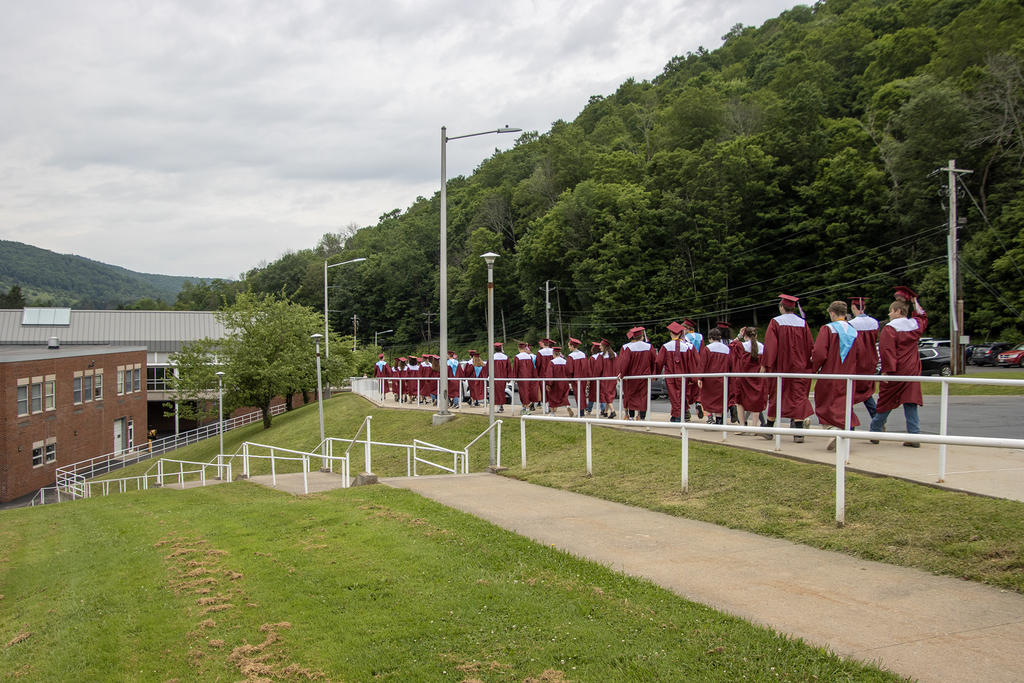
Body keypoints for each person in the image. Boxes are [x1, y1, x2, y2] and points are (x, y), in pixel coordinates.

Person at [870, 296, 928, 446]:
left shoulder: (890, 328)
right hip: (912, 369)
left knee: (886, 402)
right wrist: (915, 302)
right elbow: (923, 316)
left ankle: (875, 431)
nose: (889, 314)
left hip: (897, 370)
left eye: (890, 311)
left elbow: (887, 350)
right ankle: (914, 436)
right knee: (910, 402)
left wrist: (886, 370)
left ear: (897, 311)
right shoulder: (915, 325)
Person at [760, 293, 814, 443]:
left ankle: (769, 429)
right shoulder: (803, 323)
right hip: (799, 367)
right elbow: (810, 345)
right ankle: (798, 432)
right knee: (797, 396)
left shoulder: (775, 322)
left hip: (781, 366)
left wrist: (766, 365)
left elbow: (771, 346)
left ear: (782, 307)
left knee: (777, 394)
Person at [812, 301, 861, 450]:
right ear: (845, 314)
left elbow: (820, 352)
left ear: (832, 313)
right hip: (849, 375)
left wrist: (814, 367)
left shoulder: (828, 329)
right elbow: (860, 354)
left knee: (824, 403)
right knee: (844, 405)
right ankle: (842, 434)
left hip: (830, 374)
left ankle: (833, 432)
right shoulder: (854, 331)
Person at [731, 326, 768, 431]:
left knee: (740, 402)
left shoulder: (741, 346)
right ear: (756, 335)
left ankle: (742, 426)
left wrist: (739, 336)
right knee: (756, 401)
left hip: (743, 378)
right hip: (757, 378)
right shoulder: (762, 347)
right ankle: (754, 427)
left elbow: (731, 345)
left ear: (745, 335)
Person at [848, 297, 879, 419]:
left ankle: (850, 424)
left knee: (850, 391)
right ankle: (876, 418)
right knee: (866, 391)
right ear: (864, 307)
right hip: (871, 359)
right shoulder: (874, 322)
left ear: (853, 307)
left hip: (857, 360)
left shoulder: (851, 324)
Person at [618, 327, 655, 420]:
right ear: (642, 336)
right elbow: (654, 361)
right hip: (644, 376)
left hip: (632, 377)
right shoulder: (649, 346)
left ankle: (631, 416)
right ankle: (642, 417)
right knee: (643, 397)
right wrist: (653, 373)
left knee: (631, 396)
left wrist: (623, 374)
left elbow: (625, 363)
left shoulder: (629, 348)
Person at [655, 321, 689, 423]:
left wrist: (655, 375)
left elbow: (659, 362)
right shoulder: (687, 347)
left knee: (674, 396)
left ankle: (678, 417)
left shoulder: (665, 346)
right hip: (683, 375)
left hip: (671, 375)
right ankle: (676, 416)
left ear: (670, 333)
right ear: (680, 334)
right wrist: (692, 378)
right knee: (681, 395)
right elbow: (691, 363)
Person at [698, 328, 732, 424]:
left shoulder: (708, 348)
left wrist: (699, 378)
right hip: (723, 378)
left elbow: (702, 364)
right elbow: (731, 364)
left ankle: (709, 417)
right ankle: (719, 419)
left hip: (710, 378)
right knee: (720, 399)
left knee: (707, 398)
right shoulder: (727, 349)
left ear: (710, 338)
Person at [682, 319, 704, 420]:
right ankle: (698, 402)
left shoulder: (686, 338)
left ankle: (686, 411)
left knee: (687, 388)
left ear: (686, 328)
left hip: (690, 363)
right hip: (699, 363)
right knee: (698, 386)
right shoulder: (700, 336)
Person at [545, 347, 574, 415]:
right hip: (564, 382)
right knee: (564, 396)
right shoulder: (565, 361)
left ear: (554, 354)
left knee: (552, 396)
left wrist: (548, 384)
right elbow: (569, 372)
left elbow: (550, 373)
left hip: (555, 382)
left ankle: (552, 412)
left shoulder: (552, 362)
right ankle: (567, 406)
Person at [513, 342, 539, 413]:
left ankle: (527, 408)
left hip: (521, 377)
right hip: (529, 377)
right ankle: (523, 407)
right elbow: (532, 367)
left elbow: (515, 368)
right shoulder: (529, 356)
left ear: (519, 349)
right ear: (525, 349)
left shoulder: (517, 357)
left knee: (523, 392)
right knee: (527, 391)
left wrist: (514, 378)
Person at [565, 338, 588, 417]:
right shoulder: (583, 354)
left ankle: (581, 412)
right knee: (582, 394)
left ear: (572, 346)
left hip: (575, 378)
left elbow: (569, 369)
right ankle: (582, 411)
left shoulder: (571, 356)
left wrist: (569, 378)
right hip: (583, 378)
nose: (568, 347)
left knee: (578, 395)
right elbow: (586, 367)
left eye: (569, 346)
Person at [596, 339, 618, 419]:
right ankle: (605, 412)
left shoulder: (601, 355)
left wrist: (596, 376)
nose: (599, 347)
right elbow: (617, 366)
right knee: (609, 394)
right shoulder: (614, 354)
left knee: (606, 394)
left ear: (604, 346)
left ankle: (612, 411)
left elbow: (599, 368)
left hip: (605, 378)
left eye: (601, 345)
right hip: (613, 378)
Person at [491, 342, 511, 412]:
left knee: (496, 392)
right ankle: (501, 405)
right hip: (503, 378)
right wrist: (509, 378)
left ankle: (498, 406)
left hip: (494, 377)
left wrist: (486, 376)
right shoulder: (505, 357)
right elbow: (509, 368)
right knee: (502, 391)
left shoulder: (492, 357)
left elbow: (487, 368)